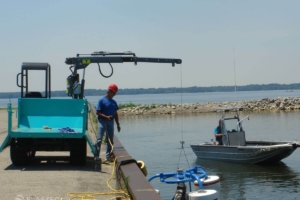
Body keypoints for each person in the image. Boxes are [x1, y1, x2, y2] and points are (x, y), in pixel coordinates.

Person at [95, 84, 121, 162]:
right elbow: (97, 112)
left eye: (115, 94)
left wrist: (118, 124)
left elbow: (115, 113)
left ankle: (108, 156)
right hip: (102, 122)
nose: (114, 95)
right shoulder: (101, 100)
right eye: (113, 93)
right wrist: (106, 117)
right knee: (99, 139)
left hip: (111, 122)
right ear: (109, 91)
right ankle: (96, 155)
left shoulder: (114, 102)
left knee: (110, 140)